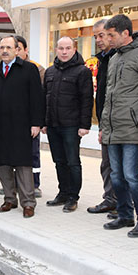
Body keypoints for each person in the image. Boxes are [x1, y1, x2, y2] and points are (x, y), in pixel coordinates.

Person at [101, 14, 138, 238]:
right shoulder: (115, 58)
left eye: (112, 35)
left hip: (133, 127)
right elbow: (109, 96)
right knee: (116, 176)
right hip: (113, 128)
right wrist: (104, 126)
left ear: (126, 33)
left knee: (132, 176)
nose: (108, 39)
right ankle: (125, 215)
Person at [0, 35, 45, 218]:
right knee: (2, 164)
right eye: (2, 47)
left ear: (17, 50)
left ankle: (28, 202)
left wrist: (36, 123)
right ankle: (10, 198)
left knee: (23, 164)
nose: (4, 51)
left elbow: (36, 98)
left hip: (22, 126)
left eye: (9, 47)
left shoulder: (28, 69)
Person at [42, 37, 94, 212]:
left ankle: (73, 197)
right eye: (61, 48)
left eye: (67, 48)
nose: (64, 52)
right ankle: (63, 192)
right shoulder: (49, 72)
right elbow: (44, 99)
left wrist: (84, 125)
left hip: (71, 125)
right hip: (53, 125)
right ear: (56, 50)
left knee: (73, 162)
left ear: (74, 49)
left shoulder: (82, 72)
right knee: (59, 161)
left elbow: (86, 100)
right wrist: (43, 122)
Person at [87, 19, 118, 216]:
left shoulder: (119, 57)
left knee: (119, 168)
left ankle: (122, 204)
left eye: (101, 35)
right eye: (95, 36)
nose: (98, 40)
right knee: (106, 164)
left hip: (120, 123)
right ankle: (110, 199)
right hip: (106, 123)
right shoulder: (103, 59)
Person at [15, 35, 45, 198]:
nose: (16, 52)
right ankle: (14, 183)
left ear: (26, 50)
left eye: (19, 48)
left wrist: (39, 121)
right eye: (14, 48)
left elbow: (41, 97)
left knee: (32, 153)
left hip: (31, 120)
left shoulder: (37, 69)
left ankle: (34, 184)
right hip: (13, 121)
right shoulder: (7, 69)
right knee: (14, 152)